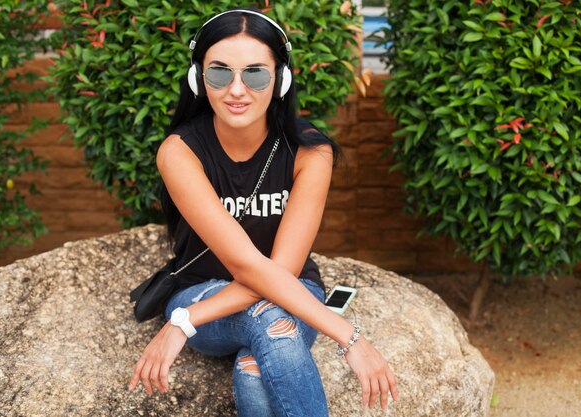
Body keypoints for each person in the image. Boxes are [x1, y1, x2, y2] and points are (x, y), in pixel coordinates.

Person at [128, 7, 398, 416]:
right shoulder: (179, 153)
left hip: (286, 287)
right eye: (220, 73)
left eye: (255, 74)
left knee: (258, 362)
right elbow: (248, 266)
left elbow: (281, 270)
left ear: (281, 79)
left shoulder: (310, 151)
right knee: (274, 320)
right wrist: (350, 337)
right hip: (203, 292)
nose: (237, 89)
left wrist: (182, 323)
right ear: (198, 78)